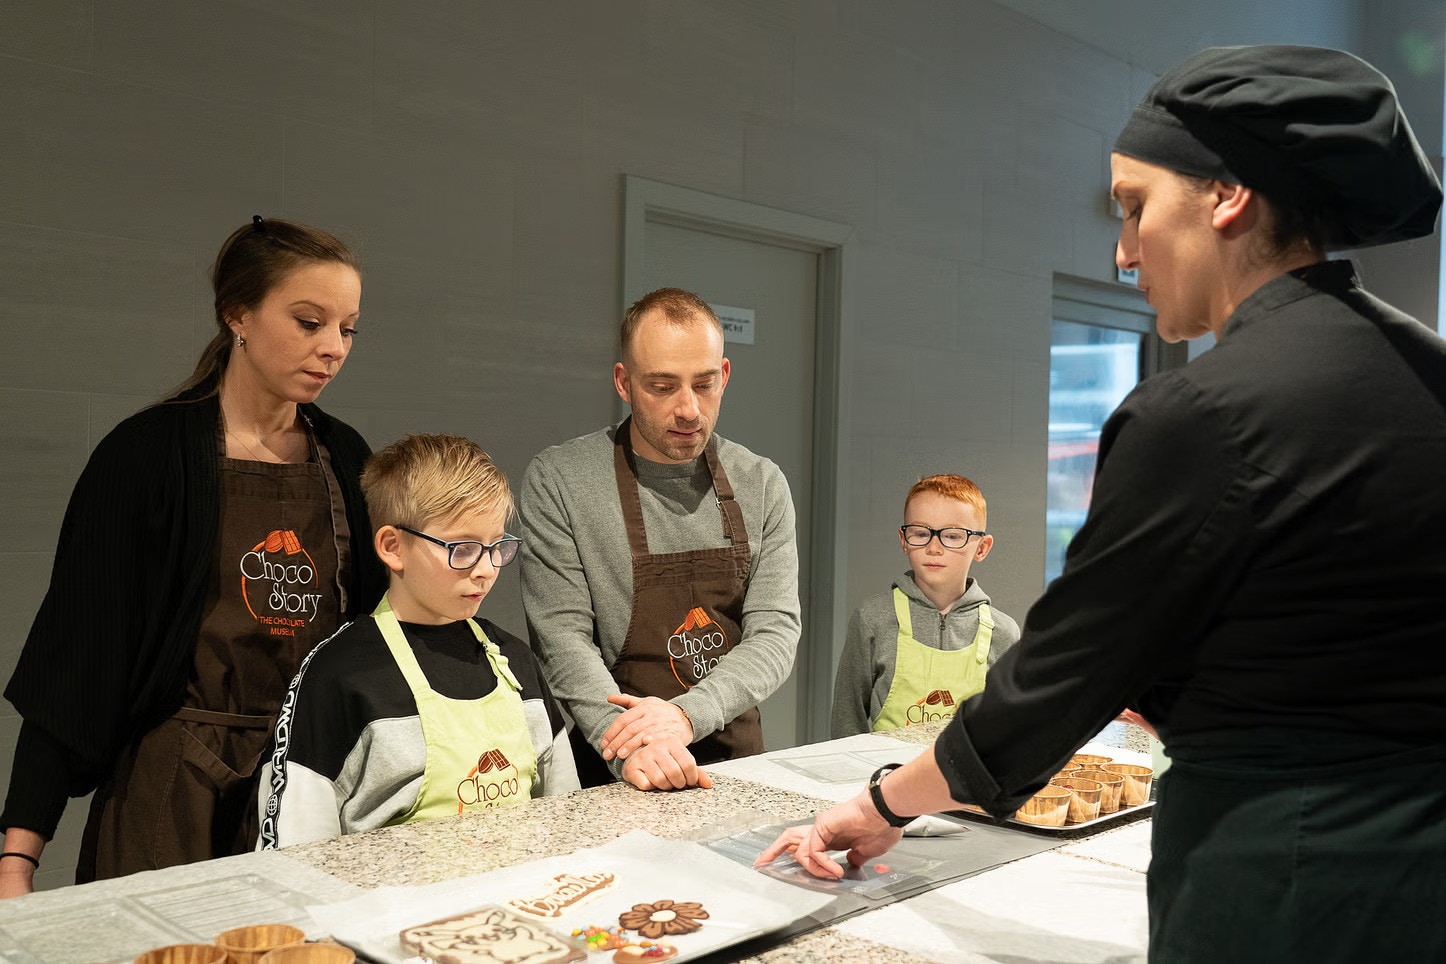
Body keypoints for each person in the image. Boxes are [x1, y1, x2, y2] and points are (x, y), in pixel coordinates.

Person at [759, 45, 1446, 960]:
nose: (1122, 251)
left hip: (1283, 873)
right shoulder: (1428, 376)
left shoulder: (1203, 410)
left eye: (1133, 207)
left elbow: (1054, 684)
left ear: (1228, 194)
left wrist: (879, 804)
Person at [0, 217, 387, 895]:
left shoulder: (349, 459)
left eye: (346, 329)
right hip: (168, 798)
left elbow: (379, 644)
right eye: (308, 322)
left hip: (306, 791)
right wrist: (17, 859)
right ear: (238, 313)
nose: (332, 348)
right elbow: (78, 658)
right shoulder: (145, 458)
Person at [519, 287, 801, 792]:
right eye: (663, 386)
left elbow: (775, 633)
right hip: (615, 769)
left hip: (733, 765)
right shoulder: (560, 480)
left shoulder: (761, 482)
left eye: (705, 383)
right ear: (624, 383)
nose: (690, 409)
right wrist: (630, 745)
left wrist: (687, 717)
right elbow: (562, 639)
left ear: (725, 375)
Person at [257, 434, 579, 847]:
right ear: (393, 547)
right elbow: (292, 850)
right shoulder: (339, 675)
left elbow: (566, 819)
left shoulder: (516, 662)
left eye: (497, 546)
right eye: (462, 549)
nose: (485, 570)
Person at [832, 474, 1020, 738]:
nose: (934, 547)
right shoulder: (873, 619)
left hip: (965, 778)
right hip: (885, 775)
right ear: (904, 540)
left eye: (953, 536)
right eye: (921, 533)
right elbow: (847, 718)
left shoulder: (1004, 632)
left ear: (982, 548)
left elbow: (1010, 728)